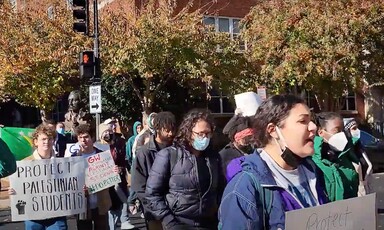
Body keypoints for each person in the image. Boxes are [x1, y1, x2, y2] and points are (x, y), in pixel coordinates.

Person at [219, 95, 327, 229]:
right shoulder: (245, 188)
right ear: (273, 130)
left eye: (312, 120)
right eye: (303, 121)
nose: (313, 127)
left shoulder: (314, 172)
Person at [145, 109, 225, 230]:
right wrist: (169, 221)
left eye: (208, 133)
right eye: (200, 134)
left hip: (209, 224)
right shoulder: (168, 156)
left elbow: (220, 190)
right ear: (188, 132)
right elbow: (152, 194)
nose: (205, 138)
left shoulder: (214, 158)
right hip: (179, 223)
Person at [9, 124, 68, 230]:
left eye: (50, 139)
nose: (47, 142)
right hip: (33, 216)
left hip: (57, 215)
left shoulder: (63, 163)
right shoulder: (24, 164)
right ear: (36, 142)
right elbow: (19, 187)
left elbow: (70, 185)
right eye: (43, 139)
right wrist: (13, 191)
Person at [132, 111, 176, 230]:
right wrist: (155, 208)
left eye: (172, 129)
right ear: (157, 129)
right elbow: (139, 186)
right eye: (166, 130)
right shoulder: (144, 153)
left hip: (177, 211)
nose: (170, 133)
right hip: (154, 214)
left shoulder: (178, 150)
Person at [312, 112, 360, 201]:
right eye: (337, 131)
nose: (342, 134)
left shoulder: (345, 157)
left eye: (342, 130)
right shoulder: (313, 161)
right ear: (321, 132)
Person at [73, 124, 111, 230]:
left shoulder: (102, 155)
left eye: (86, 137)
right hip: (82, 205)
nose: (83, 140)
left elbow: (110, 180)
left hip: (101, 203)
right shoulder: (73, 159)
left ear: (92, 138)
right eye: (80, 138)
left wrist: (113, 171)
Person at [100, 120, 135, 230]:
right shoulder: (98, 147)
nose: (108, 134)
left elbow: (123, 159)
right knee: (110, 207)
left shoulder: (119, 142)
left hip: (118, 178)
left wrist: (120, 168)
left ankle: (125, 220)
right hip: (105, 182)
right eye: (105, 132)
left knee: (122, 199)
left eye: (109, 131)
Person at [219, 113, 254, 179]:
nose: (248, 140)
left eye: (250, 137)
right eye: (245, 138)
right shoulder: (225, 155)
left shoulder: (253, 151)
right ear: (236, 138)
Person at [343, 118, 373, 196]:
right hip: (358, 194)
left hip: (368, 191)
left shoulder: (359, 147)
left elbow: (368, 165)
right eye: (354, 128)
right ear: (347, 131)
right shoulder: (346, 151)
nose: (357, 131)